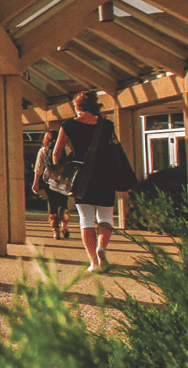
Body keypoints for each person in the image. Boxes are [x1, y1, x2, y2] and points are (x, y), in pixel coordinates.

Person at [55, 91, 137, 273]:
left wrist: (63, 166)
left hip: (81, 178)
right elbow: (114, 149)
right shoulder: (107, 125)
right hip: (106, 176)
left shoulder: (68, 125)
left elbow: (55, 154)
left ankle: (93, 262)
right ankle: (102, 248)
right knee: (106, 217)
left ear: (77, 107)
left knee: (86, 220)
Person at [31, 127, 70, 240]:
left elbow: (38, 168)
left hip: (50, 181)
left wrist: (35, 183)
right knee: (63, 203)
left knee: (52, 204)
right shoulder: (65, 148)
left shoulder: (43, 150)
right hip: (64, 181)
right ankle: (64, 225)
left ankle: (55, 231)